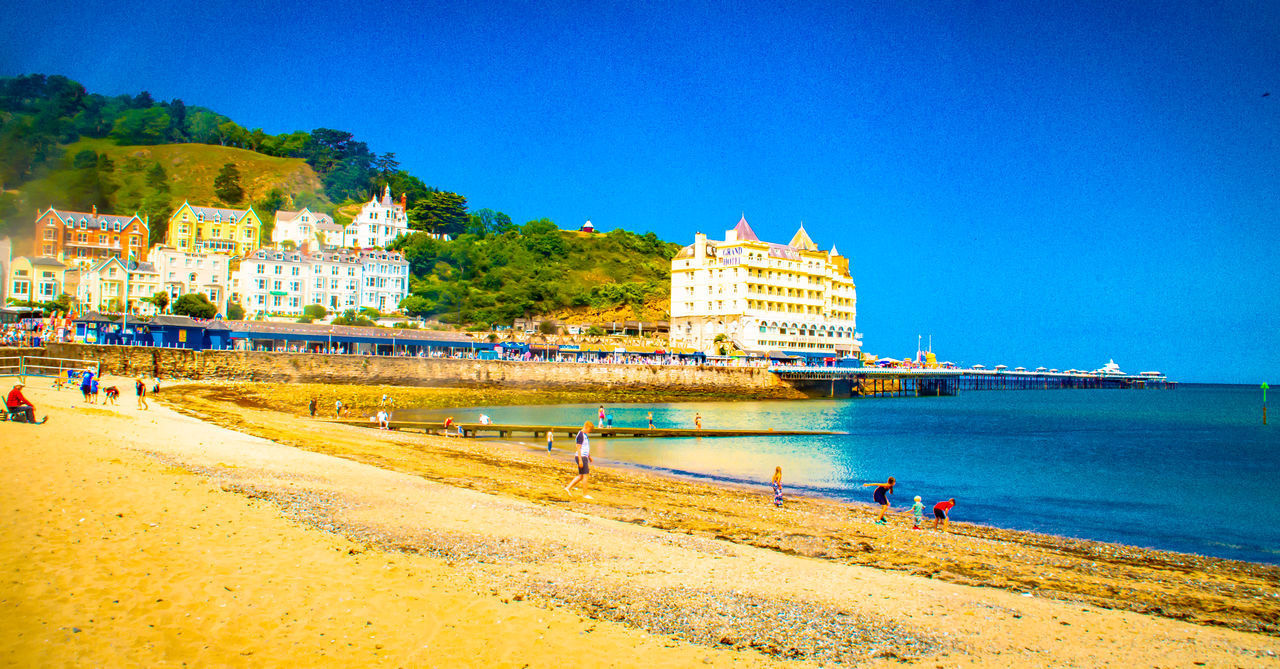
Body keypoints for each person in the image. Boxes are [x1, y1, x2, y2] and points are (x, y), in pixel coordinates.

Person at [564, 421, 594, 499]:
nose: (590, 432)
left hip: (584, 456)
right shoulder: (580, 435)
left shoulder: (585, 435)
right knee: (585, 475)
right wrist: (580, 460)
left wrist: (589, 456)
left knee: (581, 476)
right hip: (581, 457)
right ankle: (585, 494)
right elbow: (578, 448)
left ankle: (568, 488)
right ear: (586, 427)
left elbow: (585, 448)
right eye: (590, 430)